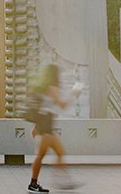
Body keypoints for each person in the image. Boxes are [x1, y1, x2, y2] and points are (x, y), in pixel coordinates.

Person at [27, 64, 83, 193]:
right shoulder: (52, 89)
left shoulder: (43, 88)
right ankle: (35, 184)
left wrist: (36, 127)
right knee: (41, 155)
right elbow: (62, 105)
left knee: (58, 152)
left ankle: (63, 181)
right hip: (47, 126)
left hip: (45, 125)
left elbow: (41, 108)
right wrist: (74, 92)